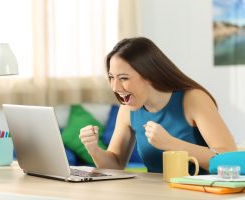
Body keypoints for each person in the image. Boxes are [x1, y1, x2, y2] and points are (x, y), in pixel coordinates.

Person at [79, 37, 237, 174]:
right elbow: (115, 166)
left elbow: (231, 162)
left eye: (123, 78)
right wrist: (94, 149)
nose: (115, 87)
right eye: (111, 77)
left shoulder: (193, 99)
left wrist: (171, 144)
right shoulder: (127, 110)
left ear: (149, 75)